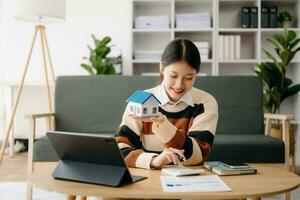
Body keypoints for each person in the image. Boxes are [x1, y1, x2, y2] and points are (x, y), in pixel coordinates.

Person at [115, 38, 218, 169]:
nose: (179, 85)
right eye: (173, 76)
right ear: (162, 68)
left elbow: (199, 155)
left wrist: (162, 124)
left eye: (189, 78)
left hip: (188, 177)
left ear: (196, 74)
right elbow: (120, 149)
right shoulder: (142, 100)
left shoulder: (204, 102)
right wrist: (154, 160)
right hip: (148, 176)